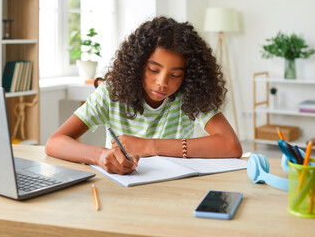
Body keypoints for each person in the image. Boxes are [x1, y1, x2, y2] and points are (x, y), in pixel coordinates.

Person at [45, 16, 242, 175]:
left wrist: (150, 146)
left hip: (174, 188)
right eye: (153, 70)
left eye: (175, 75)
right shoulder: (112, 92)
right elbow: (55, 142)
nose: (162, 83)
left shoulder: (190, 93)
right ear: (138, 64)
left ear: (188, 75)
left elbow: (230, 145)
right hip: (122, 187)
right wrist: (100, 156)